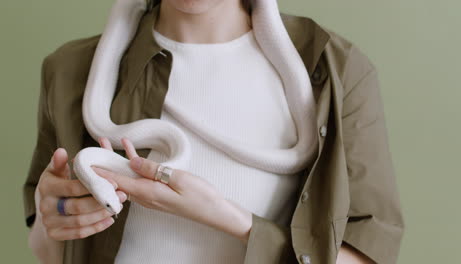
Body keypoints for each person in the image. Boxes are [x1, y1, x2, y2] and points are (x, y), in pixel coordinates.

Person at [24, 0, 405, 263]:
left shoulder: (333, 71)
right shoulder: (71, 70)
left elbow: (368, 253)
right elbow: (49, 249)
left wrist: (228, 219)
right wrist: (52, 215)